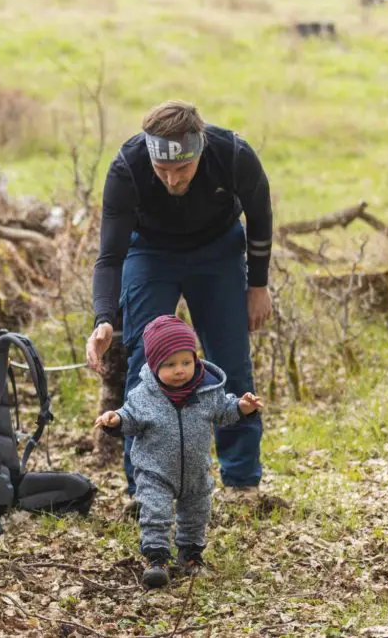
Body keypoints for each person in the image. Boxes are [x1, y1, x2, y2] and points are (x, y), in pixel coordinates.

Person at [85, 100, 273, 502]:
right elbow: (110, 256)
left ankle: (242, 480)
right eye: (162, 169)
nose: (171, 179)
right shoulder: (128, 167)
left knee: (230, 360)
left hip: (218, 250)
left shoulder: (233, 154)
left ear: (199, 148)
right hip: (150, 252)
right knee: (146, 365)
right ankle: (145, 486)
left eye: (182, 169)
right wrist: (104, 318)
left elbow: (260, 218)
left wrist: (258, 285)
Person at [95, 315, 264, 588]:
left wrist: (242, 407)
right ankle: (157, 559)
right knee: (155, 513)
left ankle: (190, 555)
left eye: (186, 362)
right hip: (155, 472)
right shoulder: (144, 395)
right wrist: (115, 420)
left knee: (196, 514)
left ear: (195, 358)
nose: (180, 370)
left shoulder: (207, 390)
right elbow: (130, 417)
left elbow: (224, 410)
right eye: (170, 365)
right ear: (154, 365)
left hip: (195, 471)